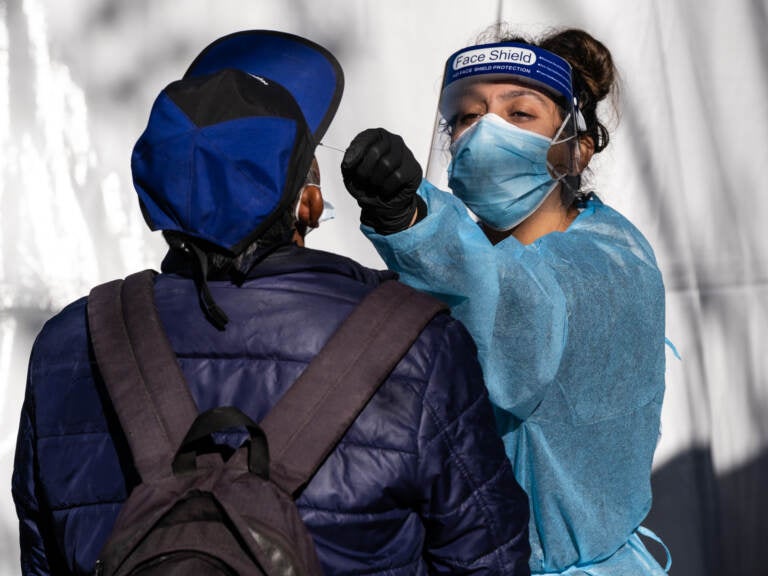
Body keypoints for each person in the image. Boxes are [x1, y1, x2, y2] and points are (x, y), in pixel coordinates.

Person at [11, 30, 532, 575]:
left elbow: (43, 555)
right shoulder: (416, 345)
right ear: (307, 201)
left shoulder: (72, 343)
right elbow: (488, 561)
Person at [342, 26, 670, 575]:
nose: (484, 132)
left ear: (574, 149)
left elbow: (522, 311)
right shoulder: (465, 260)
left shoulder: (610, 262)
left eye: (519, 114)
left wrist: (413, 219)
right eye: (467, 117)